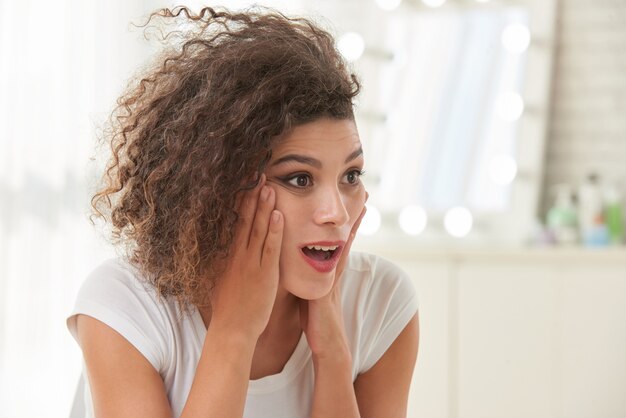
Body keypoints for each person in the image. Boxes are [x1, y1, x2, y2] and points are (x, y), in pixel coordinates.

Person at [67, 6, 419, 418]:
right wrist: (235, 331)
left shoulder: (380, 302)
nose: (337, 213)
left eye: (351, 175)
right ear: (219, 185)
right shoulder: (126, 304)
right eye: (300, 179)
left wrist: (333, 356)